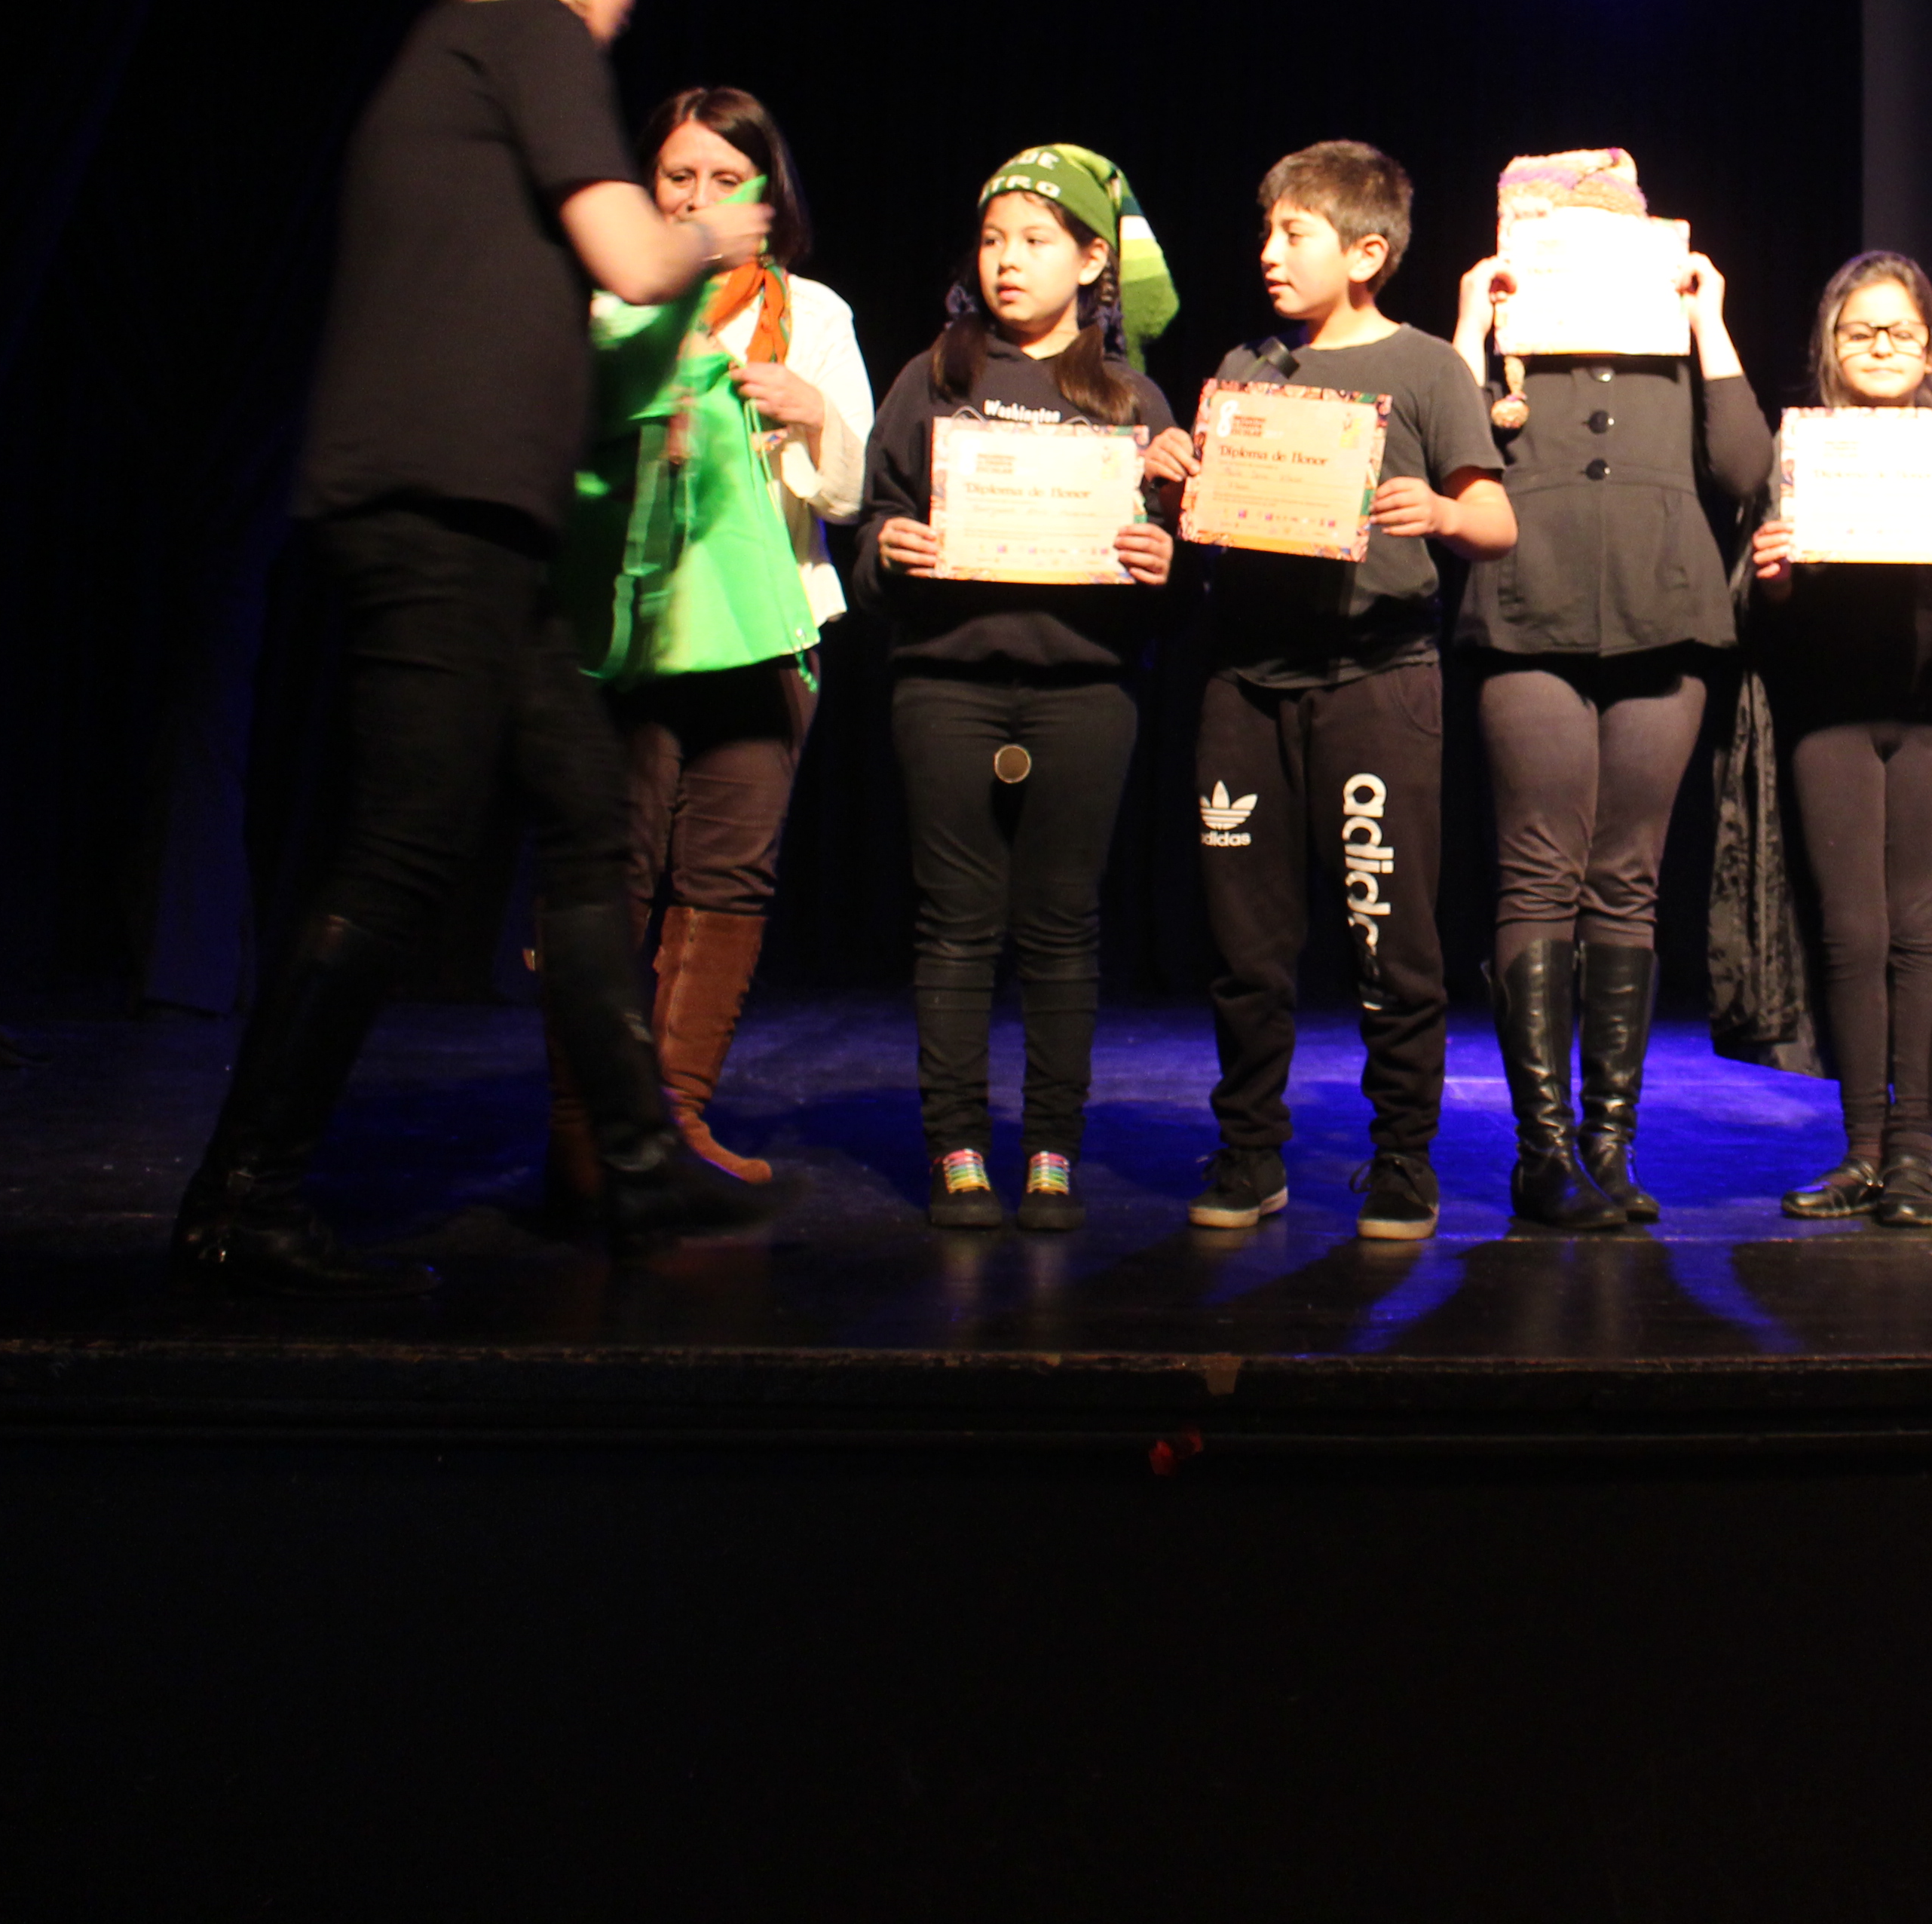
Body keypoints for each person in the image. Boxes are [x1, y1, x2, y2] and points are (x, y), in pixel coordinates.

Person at [170, 0, 773, 1297]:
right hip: (437, 504)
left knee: (580, 814)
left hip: (466, 512)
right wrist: (722, 234)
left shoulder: (447, 46)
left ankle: (636, 1168)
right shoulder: (529, 37)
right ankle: (244, 1196)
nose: (622, 4)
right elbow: (631, 251)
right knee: (406, 843)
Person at [1145, 141, 1511, 1244]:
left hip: (1377, 679)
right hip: (1246, 682)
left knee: (1386, 930)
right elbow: (1206, 526)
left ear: (1367, 253)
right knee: (1246, 942)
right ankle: (1250, 1147)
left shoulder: (1427, 368)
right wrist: (1174, 476)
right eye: (1266, 231)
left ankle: (1402, 1154)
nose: (1269, 252)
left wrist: (1438, 513)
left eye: (1293, 233)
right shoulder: (1246, 366)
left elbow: (1495, 521)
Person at [537, 87, 874, 1204]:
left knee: (728, 874)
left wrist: (811, 413)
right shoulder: (610, 297)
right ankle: (589, 1129)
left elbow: (852, 492)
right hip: (630, 628)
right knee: (608, 869)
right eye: (678, 177)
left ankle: (675, 1120)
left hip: (766, 630)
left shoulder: (809, 312)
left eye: (726, 179)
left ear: (767, 195)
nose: (698, 197)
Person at [853, 149, 1180, 1233]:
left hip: (1083, 689)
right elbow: (875, 525)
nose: (1008, 261)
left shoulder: (1132, 398)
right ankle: (956, 1151)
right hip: (946, 684)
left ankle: (1051, 1154)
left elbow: (1175, 564)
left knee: (1061, 925)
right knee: (955, 924)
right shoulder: (932, 376)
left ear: (1092, 261)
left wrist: (1165, 562)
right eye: (994, 240)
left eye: (1036, 240)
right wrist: (888, 547)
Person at [1450, 149, 1771, 1228]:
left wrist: (1709, 321)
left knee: (1627, 881)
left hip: (1661, 611)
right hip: (1527, 611)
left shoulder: (1670, 342)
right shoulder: (1509, 348)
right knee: (1539, 873)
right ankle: (1542, 1154)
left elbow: (1745, 472)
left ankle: (1609, 1146)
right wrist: (1472, 324)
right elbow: (1446, 456)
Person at [1709, 253, 1932, 1227]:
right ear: (1831, 342)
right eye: (1861, 330)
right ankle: (1863, 1150)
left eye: (1901, 331)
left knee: (1921, 930)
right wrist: (1773, 581)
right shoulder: (1802, 454)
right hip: (1830, 717)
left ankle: (1913, 1156)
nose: (1881, 346)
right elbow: (1760, 621)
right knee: (1851, 932)